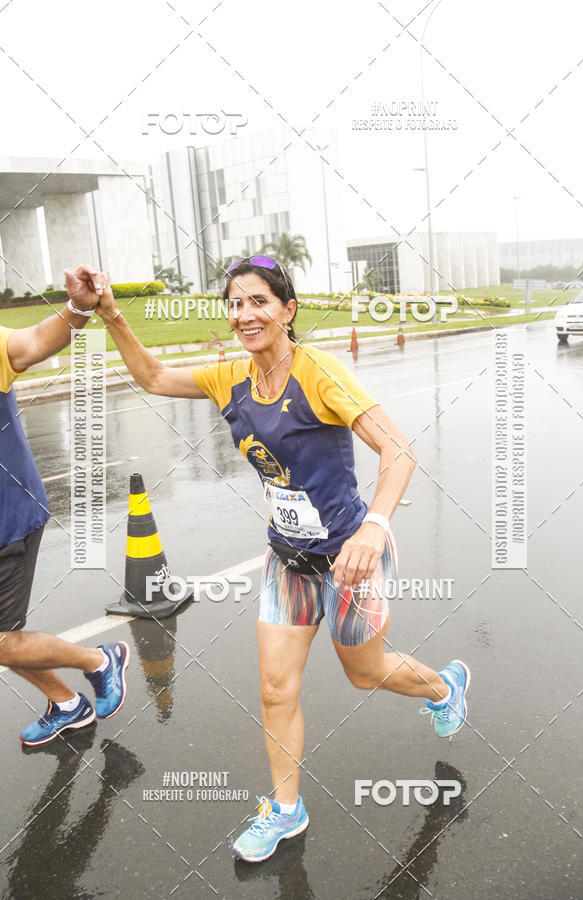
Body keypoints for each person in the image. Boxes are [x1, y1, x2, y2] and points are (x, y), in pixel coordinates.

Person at [92, 255, 471, 863]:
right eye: (235, 304)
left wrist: (373, 529)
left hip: (350, 560)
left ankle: (443, 686)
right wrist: (111, 315)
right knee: (274, 688)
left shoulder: (319, 372)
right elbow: (155, 377)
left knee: (365, 673)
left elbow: (398, 450)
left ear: (287, 310)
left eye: (258, 302)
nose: (245, 315)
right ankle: (286, 811)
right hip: (288, 561)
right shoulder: (230, 379)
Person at [0, 265, 129, 746]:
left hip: (7, 519)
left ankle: (100, 661)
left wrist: (77, 308)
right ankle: (67, 704)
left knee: (4, 641)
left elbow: (32, 343)